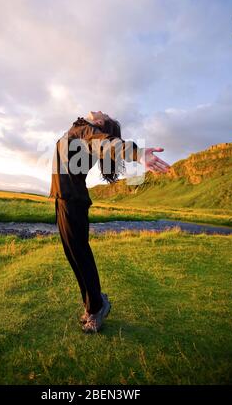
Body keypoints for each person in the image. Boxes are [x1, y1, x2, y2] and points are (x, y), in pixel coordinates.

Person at [49, 111, 170, 333]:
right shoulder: (79, 130)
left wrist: (139, 153)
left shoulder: (88, 131)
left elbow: (107, 144)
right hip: (63, 199)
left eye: (103, 113)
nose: (100, 110)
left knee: (81, 258)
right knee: (76, 258)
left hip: (72, 201)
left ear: (100, 122)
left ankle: (97, 307)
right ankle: (93, 304)